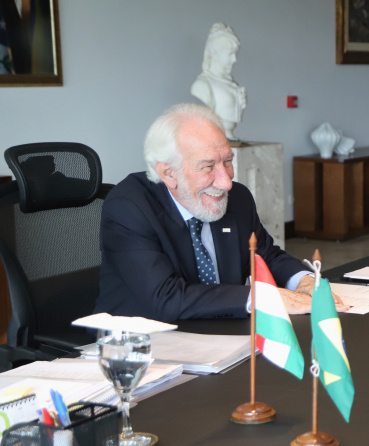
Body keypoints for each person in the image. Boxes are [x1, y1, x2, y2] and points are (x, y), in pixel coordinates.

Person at [96, 103, 339, 322]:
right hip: (139, 347)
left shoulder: (238, 199)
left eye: (227, 162)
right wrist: (260, 298)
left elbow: (266, 256)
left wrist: (303, 280)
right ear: (169, 173)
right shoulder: (129, 207)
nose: (226, 182)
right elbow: (165, 298)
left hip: (221, 334)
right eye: (208, 167)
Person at [191, 22, 246, 141]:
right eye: (230, 54)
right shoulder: (203, 85)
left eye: (235, 54)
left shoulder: (232, 85)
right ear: (215, 54)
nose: (234, 60)